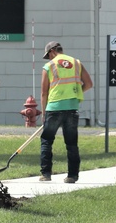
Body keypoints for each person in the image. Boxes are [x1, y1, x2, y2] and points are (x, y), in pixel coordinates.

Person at [39, 41, 93, 183]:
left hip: (54, 108)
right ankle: (72, 176)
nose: (49, 58)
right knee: (71, 143)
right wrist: (75, 93)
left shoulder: (49, 66)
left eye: (48, 55)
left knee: (46, 140)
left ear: (52, 51)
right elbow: (89, 84)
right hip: (72, 108)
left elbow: (44, 92)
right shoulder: (76, 63)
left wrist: (44, 113)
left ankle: (46, 174)